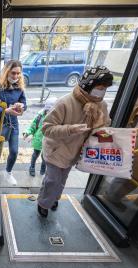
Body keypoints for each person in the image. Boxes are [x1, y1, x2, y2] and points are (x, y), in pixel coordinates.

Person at [37, 66, 113, 217]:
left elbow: (106, 124)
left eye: (105, 88)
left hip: (75, 151)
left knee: (62, 180)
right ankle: (44, 203)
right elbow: (46, 129)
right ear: (88, 85)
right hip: (56, 151)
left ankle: (54, 198)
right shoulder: (65, 102)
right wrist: (70, 129)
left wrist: (102, 128)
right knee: (52, 180)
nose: (102, 91)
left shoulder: (101, 105)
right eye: (99, 87)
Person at [0, 60, 27, 186]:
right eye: (13, 73)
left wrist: (22, 106)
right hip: (0, 123)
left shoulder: (19, 88)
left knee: (14, 151)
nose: (15, 76)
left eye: (18, 74)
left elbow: (24, 103)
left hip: (13, 123)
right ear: (6, 72)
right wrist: (5, 110)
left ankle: (8, 172)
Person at [23, 97, 57, 177]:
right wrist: (28, 132)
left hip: (49, 141)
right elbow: (33, 126)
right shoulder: (40, 116)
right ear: (46, 108)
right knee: (35, 154)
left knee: (45, 156)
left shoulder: (57, 117)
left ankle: (43, 167)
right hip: (39, 139)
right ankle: (32, 167)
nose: (50, 112)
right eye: (48, 110)